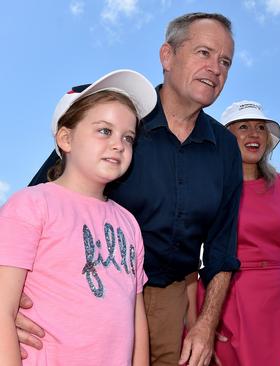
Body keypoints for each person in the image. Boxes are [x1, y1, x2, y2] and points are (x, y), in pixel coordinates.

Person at [20, 12, 243, 366]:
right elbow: (35, 208)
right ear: (167, 56)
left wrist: (205, 324)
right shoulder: (116, 121)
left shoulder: (227, 149)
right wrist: (12, 306)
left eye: (226, 61)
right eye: (204, 52)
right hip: (88, 294)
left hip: (171, 301)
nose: (216, 68)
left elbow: (222, 247)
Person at [0, 69, 156, 365]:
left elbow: (136, 318)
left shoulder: (129, 224)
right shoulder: (31, 205)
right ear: (66, 138)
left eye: (128, 137)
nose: (118, 144)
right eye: (104, 130)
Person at [189, 100, 280, 365]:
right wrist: (202, 318)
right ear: (227, 136)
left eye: (261, 127)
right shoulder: (212, 186)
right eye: (244, 127)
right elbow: (193, 254)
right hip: (229, 300)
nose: (254, 134)